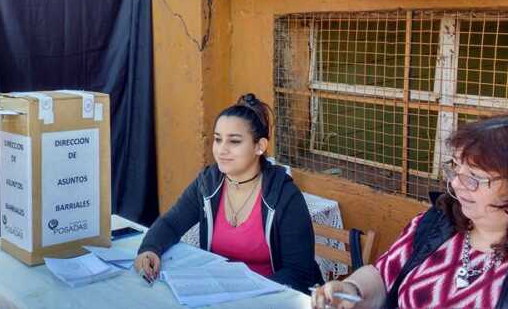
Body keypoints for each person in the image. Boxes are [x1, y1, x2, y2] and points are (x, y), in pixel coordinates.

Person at [312, 115, 508, 309]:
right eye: (456, 166)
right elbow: (383, 276)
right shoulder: (437, 222)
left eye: (474, 177)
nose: (456, 183)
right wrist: (352, 289)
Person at [135, 93, 323, 294]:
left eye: (234, 141)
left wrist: (245, 294)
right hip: (218, 294)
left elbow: (298, 274)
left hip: (269, 297)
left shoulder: (284, 195)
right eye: (218, 139)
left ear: (259, 146)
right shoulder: (208, 183)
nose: (221, 150)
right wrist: (150, 249)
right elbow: (172, 223)